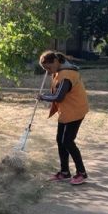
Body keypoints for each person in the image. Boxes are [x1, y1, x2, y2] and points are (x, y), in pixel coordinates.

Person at [37, 50, 89, 185]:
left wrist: (43, 97)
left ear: (55, 62)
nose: (47, 71)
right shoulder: (58, 72)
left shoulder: (66, 74)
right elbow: (57, 91)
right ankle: (64, 172)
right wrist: (47, 95)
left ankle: (82, 173)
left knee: (68, 142)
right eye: (45, 69)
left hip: (75, 111)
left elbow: (59, 97)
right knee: (60, 141)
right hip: (66, 112)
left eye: (48, 67)